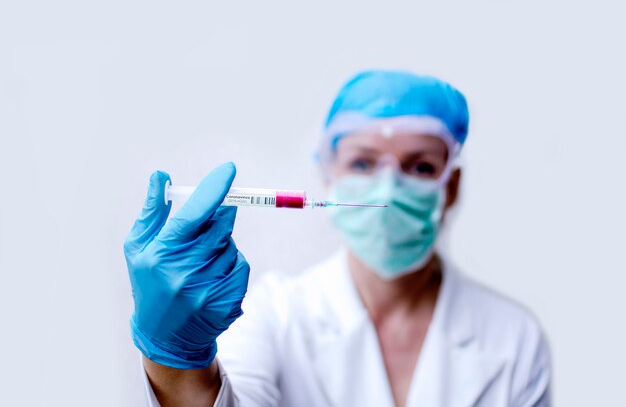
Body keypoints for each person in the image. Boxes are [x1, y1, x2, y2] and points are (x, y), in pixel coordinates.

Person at [124, 70, 551, 406]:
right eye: (363, 163)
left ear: (451, 185)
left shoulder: (512, 337)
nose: (388, 188)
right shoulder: (274, 315)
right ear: (328, 175)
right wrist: (173, 356)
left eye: (419, 166)